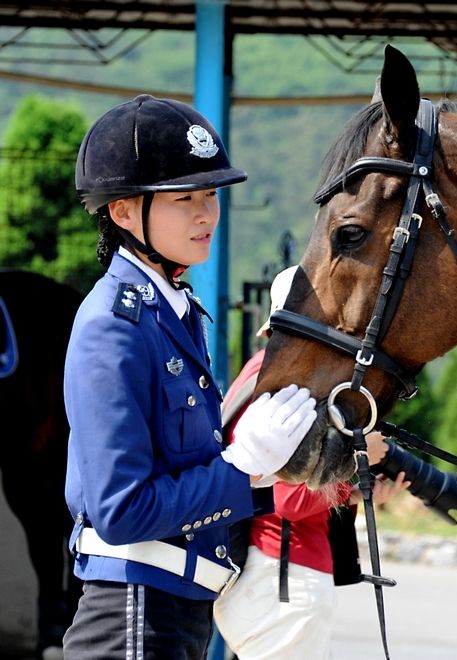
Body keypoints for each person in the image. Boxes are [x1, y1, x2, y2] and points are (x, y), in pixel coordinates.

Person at [62, 94, 318, 659]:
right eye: (184, 199)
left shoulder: (175, 311)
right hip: (133, 615)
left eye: (211, 195)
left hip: (176, 611)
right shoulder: (114, 324)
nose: (206, 214)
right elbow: (121, 509)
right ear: (124, 211)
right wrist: (240, 468)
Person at [212, 269, 410, 660]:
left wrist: (352, 494)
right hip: (285, 581)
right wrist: (357, 460)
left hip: (275, 580)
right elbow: (290, 500)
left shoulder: (260, 374)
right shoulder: (286, 388)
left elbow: (279, 489)